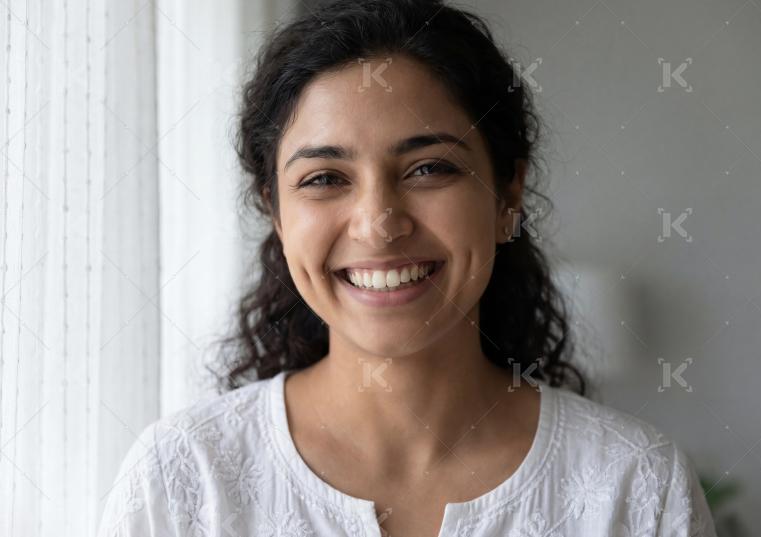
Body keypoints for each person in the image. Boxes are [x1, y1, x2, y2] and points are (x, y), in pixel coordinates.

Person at [97, 1, 717, 535]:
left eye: (429, 169)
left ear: (507, 196)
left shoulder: (634, 486)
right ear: (277, 214)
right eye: (324, 179)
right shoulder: (183, 480)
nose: (378, 223)